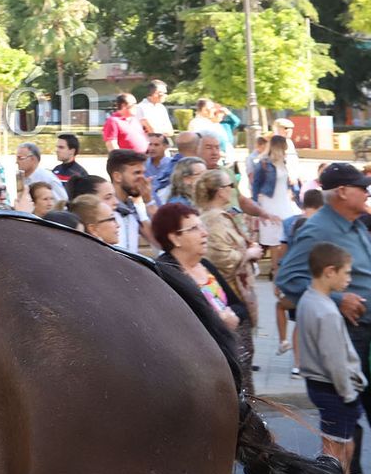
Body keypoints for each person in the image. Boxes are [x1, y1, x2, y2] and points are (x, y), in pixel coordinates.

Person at [278, 164, 371, 474]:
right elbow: (288, 278)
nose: (368, 193)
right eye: (363, 188)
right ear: (342, 191)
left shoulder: (357, 223)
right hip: (351, 335)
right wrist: (340, 298)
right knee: (351, 424)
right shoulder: (318, 228)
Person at [295, 241, 371, 474]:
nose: (348, 280)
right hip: (335, 389)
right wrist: (348, 393)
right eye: (346, 273)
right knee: (335, 454)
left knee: (342, 449)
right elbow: (335, 361)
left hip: (321, 386)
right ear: (329, 272)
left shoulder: (309, 299)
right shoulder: (326, 311)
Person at [153, 201, 251, 395]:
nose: (204, 233)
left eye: (202, 227)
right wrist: (219, 323)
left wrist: (232, 317)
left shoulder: (205, 265)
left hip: (229, 359)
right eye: (195, 228)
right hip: (200, 373)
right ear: (175, 238)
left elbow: (239, 307)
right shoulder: (166, 275)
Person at [194, 169, 260, 391]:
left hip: (233, 297)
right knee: (241, 364)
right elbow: (221, 259)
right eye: (229, 186)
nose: (232, 190)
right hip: (229, 300)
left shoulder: (219, 216)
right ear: (220, 191)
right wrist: (248, 255)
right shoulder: (213, 219)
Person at [280, 188, 328, 362]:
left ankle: (297, 362)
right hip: (311, 276)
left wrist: (277, 273)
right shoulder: (319, 224)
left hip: (295, 277)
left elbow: (282, 251)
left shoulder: (289, 223)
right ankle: (302, 361)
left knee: (301, 321)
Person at [250, 134, 302, 250]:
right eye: (284, 147)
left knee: (287, 229)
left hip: (284, 200)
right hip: (269, 201)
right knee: (273, 236)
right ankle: (274, 266)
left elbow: (289, 183)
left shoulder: (285, 162)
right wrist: (255, 206)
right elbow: (256, 185)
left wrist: (296, 197)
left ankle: (279, 263)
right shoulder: (263, 164)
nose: (286, 151)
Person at [106, 149, 153, 254]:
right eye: (136, 173)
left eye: (143, 173)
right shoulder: (102, 210)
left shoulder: (134, 209)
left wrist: (149, 201)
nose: (142, 179)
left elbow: (158, 241)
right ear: (117, 176)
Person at [144, 132, 176, 199]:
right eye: (150, 144)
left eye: (156, 145)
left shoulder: (173, 165)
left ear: (166, 146)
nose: (152, 148)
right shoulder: (143, 165)